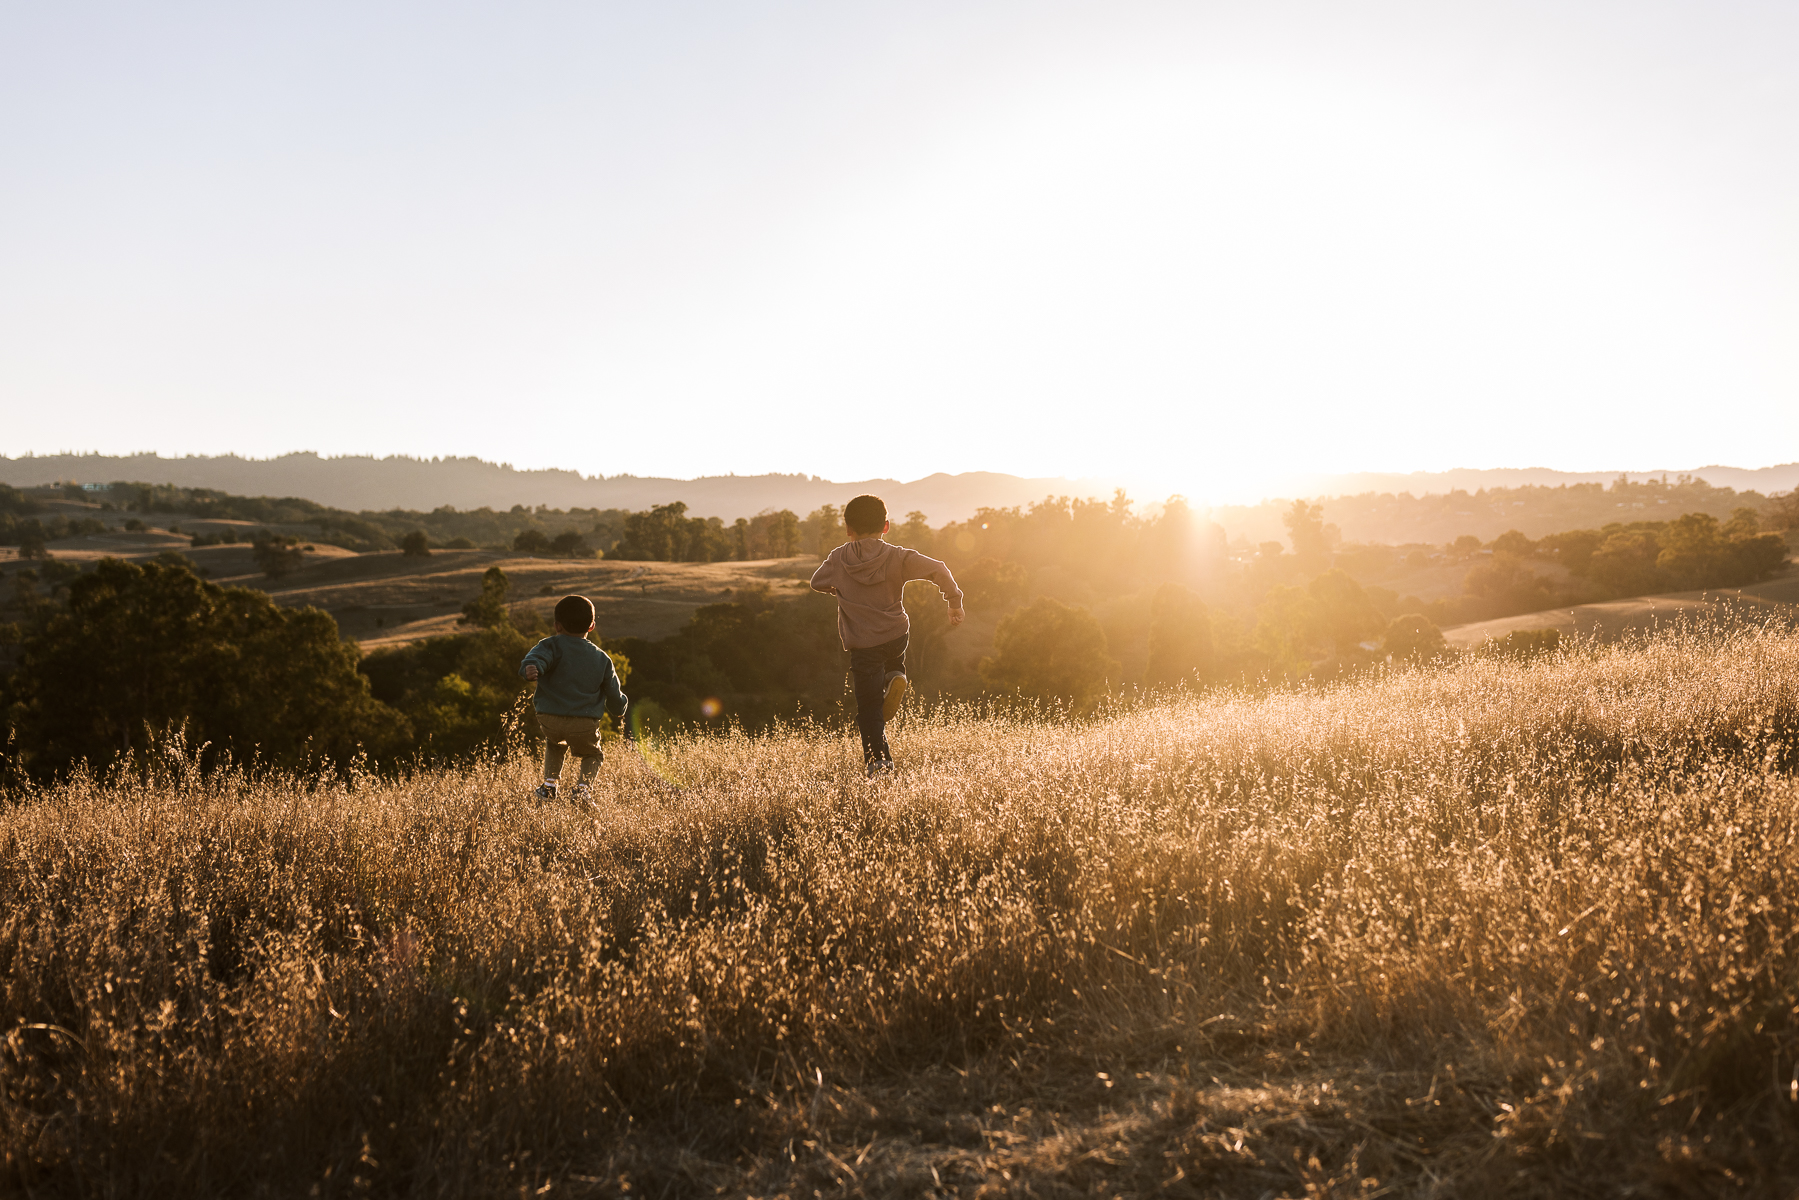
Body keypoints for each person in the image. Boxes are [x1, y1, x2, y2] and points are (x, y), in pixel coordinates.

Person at [811, 494, 964, 778]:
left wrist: (838, 588)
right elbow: (938, 568)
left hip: (863, 645)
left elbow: (817, 582)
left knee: (869, 707)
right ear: (886, 526)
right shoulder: (898, 556)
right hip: (895, 635)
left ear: (848, 529)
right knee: (892, 660)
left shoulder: (838, 558)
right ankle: (895, 674)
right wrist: (954, 601)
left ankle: (878, 762)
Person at [518, 594, 628, 803]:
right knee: (593, 755)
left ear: (557, 625)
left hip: (549, 718)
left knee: (555, 742)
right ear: (592, 626)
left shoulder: (550, 645)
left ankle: (549, 786)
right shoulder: (601, 658)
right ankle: (582, 791)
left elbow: (535, 659)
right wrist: (619, 708)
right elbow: (613, 693)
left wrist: (531, 669)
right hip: (583, 722)